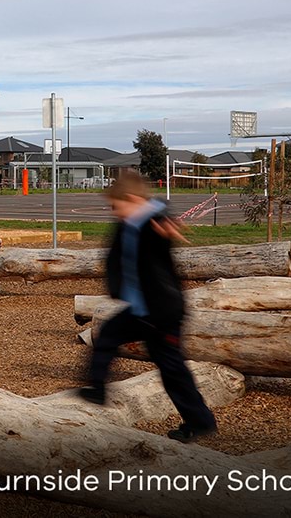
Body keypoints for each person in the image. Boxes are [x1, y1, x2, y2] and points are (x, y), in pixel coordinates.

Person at [80, 170, 218, 443]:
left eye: (116, 206)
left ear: (131, 200)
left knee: (172, 369)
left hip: (162, 312)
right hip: (140, 309)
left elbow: (159, 211)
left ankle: (199, 421)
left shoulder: (154, 223)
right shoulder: (126, 223)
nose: (114, 212)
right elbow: (113, 255)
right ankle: (97, 388)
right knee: (107, 334)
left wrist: (166, 220)